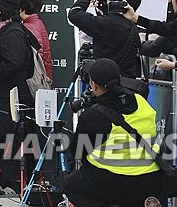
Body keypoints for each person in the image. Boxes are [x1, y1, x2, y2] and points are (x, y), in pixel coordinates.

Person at [63, 59, 162, 207]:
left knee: (70, 185)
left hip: (114, 182)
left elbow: (78, 152)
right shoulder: (141, 101)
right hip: (151, 179)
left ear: (93, 85)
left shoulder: (93, 116)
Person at [0, 0, 41, 196]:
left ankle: (7, 181)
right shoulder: (5, 30)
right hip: (2, 97)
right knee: (0, 141)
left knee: (8, 141)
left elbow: (14, 63)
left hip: (10, 98)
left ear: (1, 11)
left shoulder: (14, 32)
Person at [68, 0, 142, 79]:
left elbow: (74, 14)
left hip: (107, 83)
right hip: (126, 81)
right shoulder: (132, 25)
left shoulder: (109, 24)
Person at [18, 0, 54, 81]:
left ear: (22, 8)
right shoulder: (38, 23)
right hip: (43, 77)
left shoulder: (29, 28)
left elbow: (35, 58)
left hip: (35, 79)